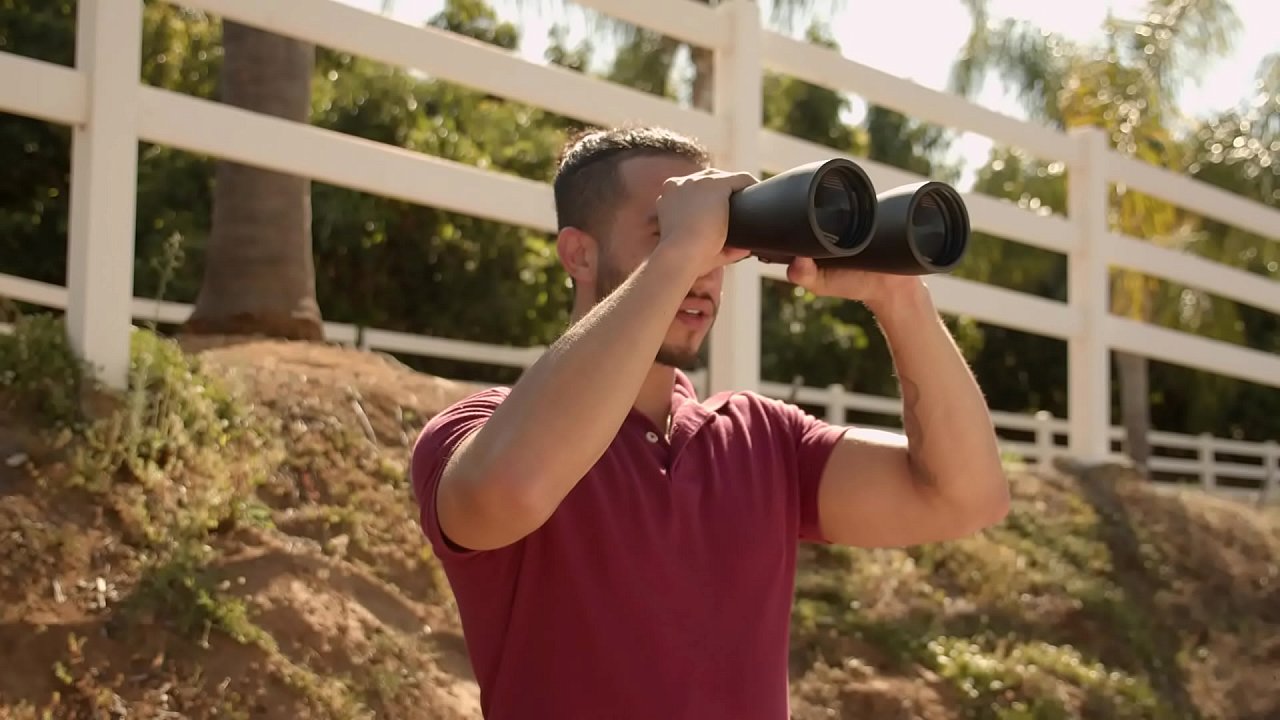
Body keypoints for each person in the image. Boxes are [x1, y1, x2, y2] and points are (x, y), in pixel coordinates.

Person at [411, 126, 1010, 719]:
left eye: (719, 240)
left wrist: (899, 300)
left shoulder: (763, 439)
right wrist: (681, 250)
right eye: (665, 232)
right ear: (579, 254)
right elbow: (509, 490)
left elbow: (967, 497)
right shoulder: (481, 432)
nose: (703, 268)